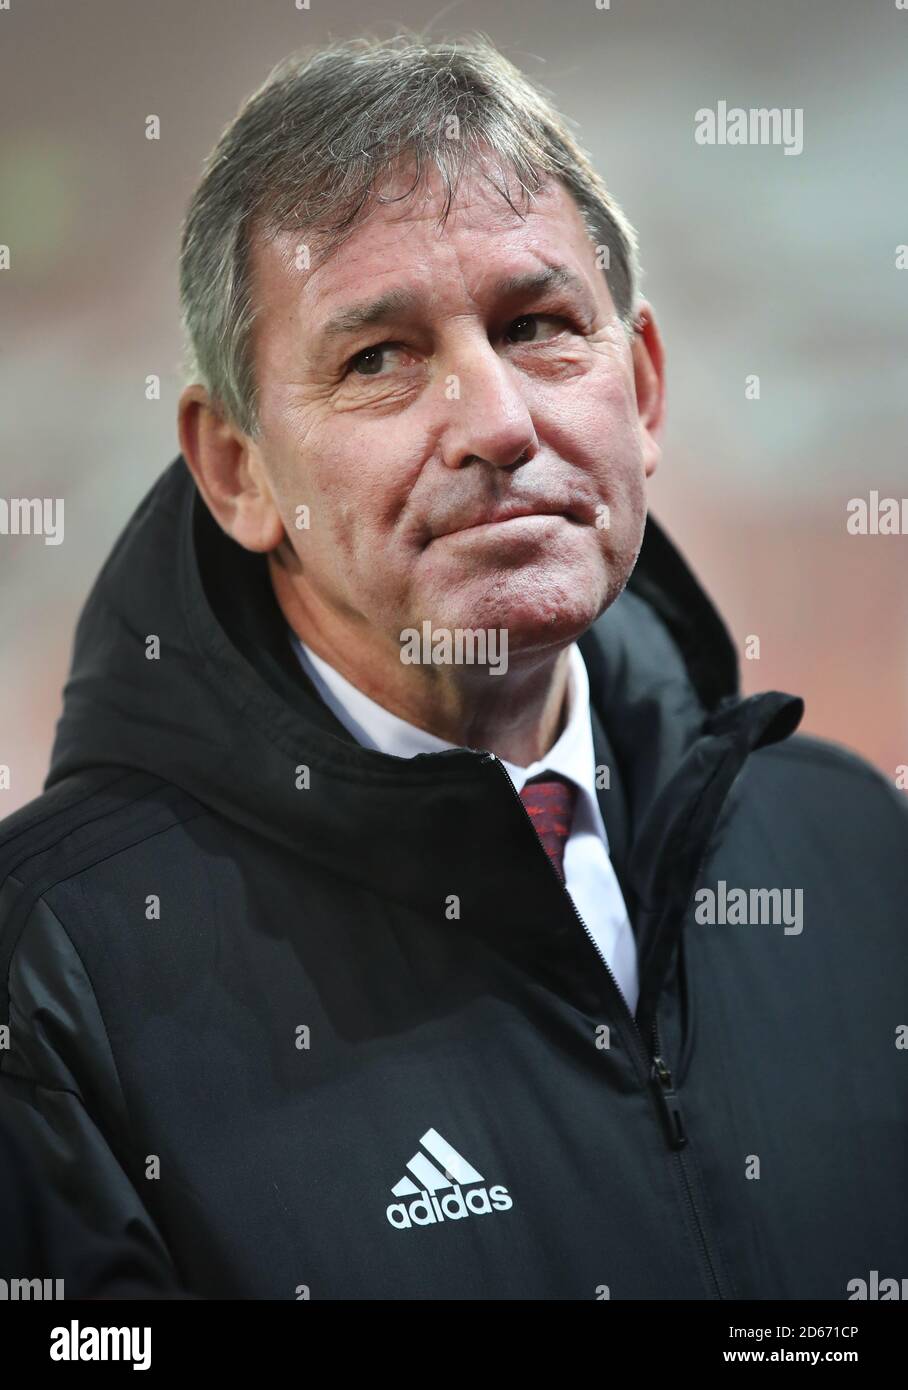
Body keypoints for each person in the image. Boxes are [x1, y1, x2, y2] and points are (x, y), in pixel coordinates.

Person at [1, 34, 905, 1301]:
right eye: (378, 358)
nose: (494, 424)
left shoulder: (859, 852)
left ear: (638, 389)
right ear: (235, 471)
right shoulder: (48, 977)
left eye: (536, 326)